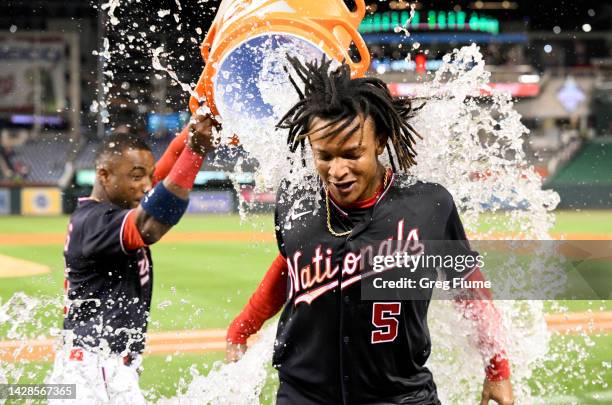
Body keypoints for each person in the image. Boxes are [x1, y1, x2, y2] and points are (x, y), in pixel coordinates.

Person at [226, 57, 514, 405]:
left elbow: (468, 285)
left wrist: (497, 369)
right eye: (325, 156)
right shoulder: (295, 200)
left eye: (352, 154)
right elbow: (291, 263)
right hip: (304, 395)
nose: (337, 170)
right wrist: (244, 325)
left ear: (379, 141)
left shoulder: (429, 204)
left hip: (400, 396)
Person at [49, 113, 218, 404]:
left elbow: (159, 177)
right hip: (94, 370)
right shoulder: (96, 221)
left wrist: (193, 128)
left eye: (148, 177)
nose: (145, 186)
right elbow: (151, 225)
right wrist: (196, 151)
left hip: (93, 365)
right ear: (103, 175)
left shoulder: (108, 207)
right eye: (137, 177)